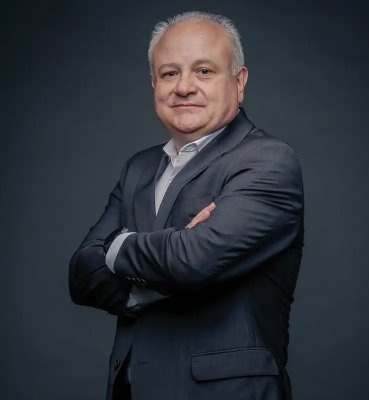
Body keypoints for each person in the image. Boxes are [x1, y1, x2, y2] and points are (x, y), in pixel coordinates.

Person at [69, 10, 304, 400]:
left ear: (239, 82)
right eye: (169, 73)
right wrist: (167, 266)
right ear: (154, 84)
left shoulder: (268, 161)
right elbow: (82, 275)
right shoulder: (139, 168)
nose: (184, 87)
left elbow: (193, 260)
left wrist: (117, 244)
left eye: (204, 71)